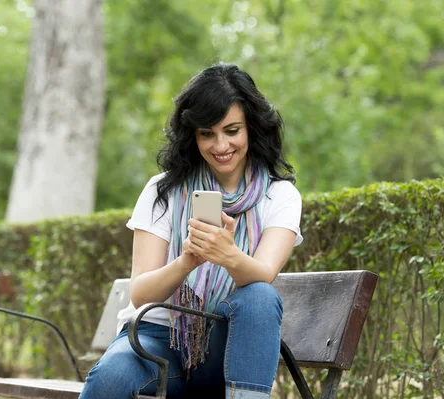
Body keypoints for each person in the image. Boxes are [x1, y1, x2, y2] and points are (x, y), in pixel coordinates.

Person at [79, 62, 303, 399]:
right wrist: (187, 261)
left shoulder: (279, 196)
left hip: (224, 350)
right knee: (112, 378)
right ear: (192, 134)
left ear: (252, 129)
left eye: (232, 130)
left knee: (258, 295)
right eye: (206, 133)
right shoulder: (163, 191)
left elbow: (264, 273)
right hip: (156, 338)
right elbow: (141, 294)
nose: (220, 145)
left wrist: (228, 256)